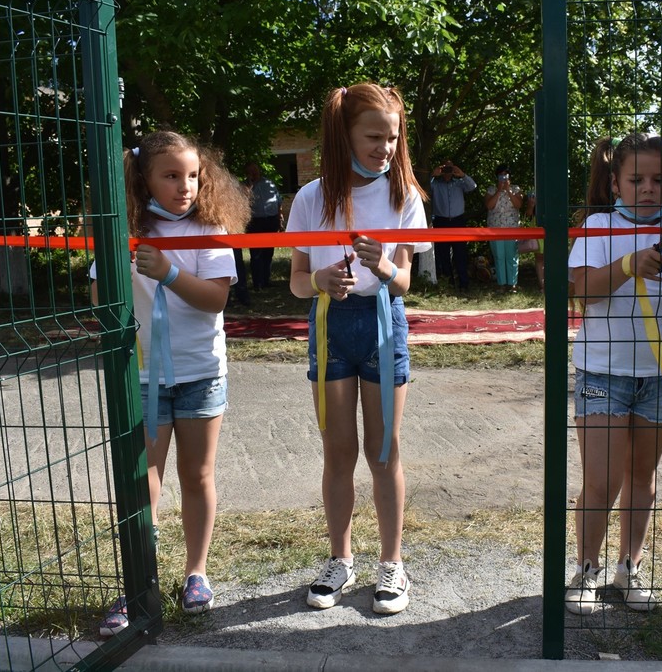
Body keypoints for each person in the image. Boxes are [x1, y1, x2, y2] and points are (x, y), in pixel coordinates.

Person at [91, 130, 251, 636]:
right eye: (170, 175)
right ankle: (140, 581)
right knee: (144, 479)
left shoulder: (210, 229)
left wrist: (166, 272)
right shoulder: (126, 229)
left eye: (192, 175)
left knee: (198, 475)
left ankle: (196, 573)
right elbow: (100, 295)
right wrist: (113, 270)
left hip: (201, 372)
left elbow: (215, 300)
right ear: (143, 179)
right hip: (143, 375)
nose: (185, 185)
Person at [286, 83, 429, 615]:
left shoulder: (404, 196)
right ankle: (339, 560)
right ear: (343, 134)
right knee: (339, 452)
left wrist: (384, 266)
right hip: (330, 328)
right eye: (373, 136)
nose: (385, 148)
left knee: (383, 451)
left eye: (393, 138)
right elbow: (297, 282)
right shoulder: (310, 198)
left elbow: (405, 282)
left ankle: (392, 564)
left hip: (382, 325)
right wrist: (321, 278)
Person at [565, 133, 662, 615]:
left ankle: (630, 566)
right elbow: (583, 292)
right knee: (602, 481)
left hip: (661, 374)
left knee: (642, 478)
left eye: (658, 178)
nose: (648, 188)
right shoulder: (598, 225)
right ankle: (587, 568)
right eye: (636, 179)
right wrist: (628, 264)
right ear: (614, 183)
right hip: (602, 372)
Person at [429, 160, 477, 291]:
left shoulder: (459, 183)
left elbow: (473, 186)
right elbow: (424, 190)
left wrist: (462, 174)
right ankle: (448, 283)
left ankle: (464, 283)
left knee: (460, 253)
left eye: (450, 168)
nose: (447, 171)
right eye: (445, 168)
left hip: (458, 221)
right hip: (441, 221)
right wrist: (433, 175)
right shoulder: (436, 184)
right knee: (443, 253)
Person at [244, 161, 284, 290]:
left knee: (268, 253)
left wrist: (279, 219)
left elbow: (278, 201)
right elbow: (244, 203)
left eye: (255, 170)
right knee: (256, 254)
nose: (254, 172)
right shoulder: (245, 186)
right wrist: (250, 184)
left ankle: (266, 280)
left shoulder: (269, 183)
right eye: (251, 171)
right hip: (255, 222)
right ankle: (257, 283)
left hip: (270, 221)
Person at [484, 164, 524, 292]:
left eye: (505, 174)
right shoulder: (491, 190)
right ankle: (501, 284)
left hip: (512, 228)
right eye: (500, 175)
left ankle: (512, 284)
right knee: (499, 255)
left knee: (511, 255)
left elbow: (518, 205)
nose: (503, 177)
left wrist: (508, 191)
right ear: (497, 176)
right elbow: (489, 206)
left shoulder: (516, 189)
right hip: (495, 229)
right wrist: (498, 191)